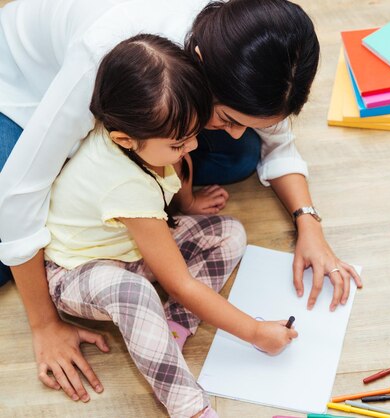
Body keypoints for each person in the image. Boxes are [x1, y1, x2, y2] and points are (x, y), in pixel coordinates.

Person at [0, 0, 362, 404]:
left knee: (240, 156)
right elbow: (17, 192)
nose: (238, 132)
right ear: (201, 63)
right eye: (229, 118)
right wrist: (44, 324)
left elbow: (277, 142)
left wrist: (308, 222)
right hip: (21, 90)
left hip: (131, 125)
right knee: (10, 256)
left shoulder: (245, 40)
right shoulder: (100, 52)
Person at [44, 33, 297, 418]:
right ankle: (189, 408)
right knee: (133, 293)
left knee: (228, 233)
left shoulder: (148, 138)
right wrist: (255, 332)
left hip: (126, 245)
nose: (192, 147)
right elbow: (181, 282)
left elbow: (173, 170)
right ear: (125, 140)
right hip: (74, 270)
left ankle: (172, 328)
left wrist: (190, 201)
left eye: (194, 135)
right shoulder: (125, 186)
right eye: (180, 143)